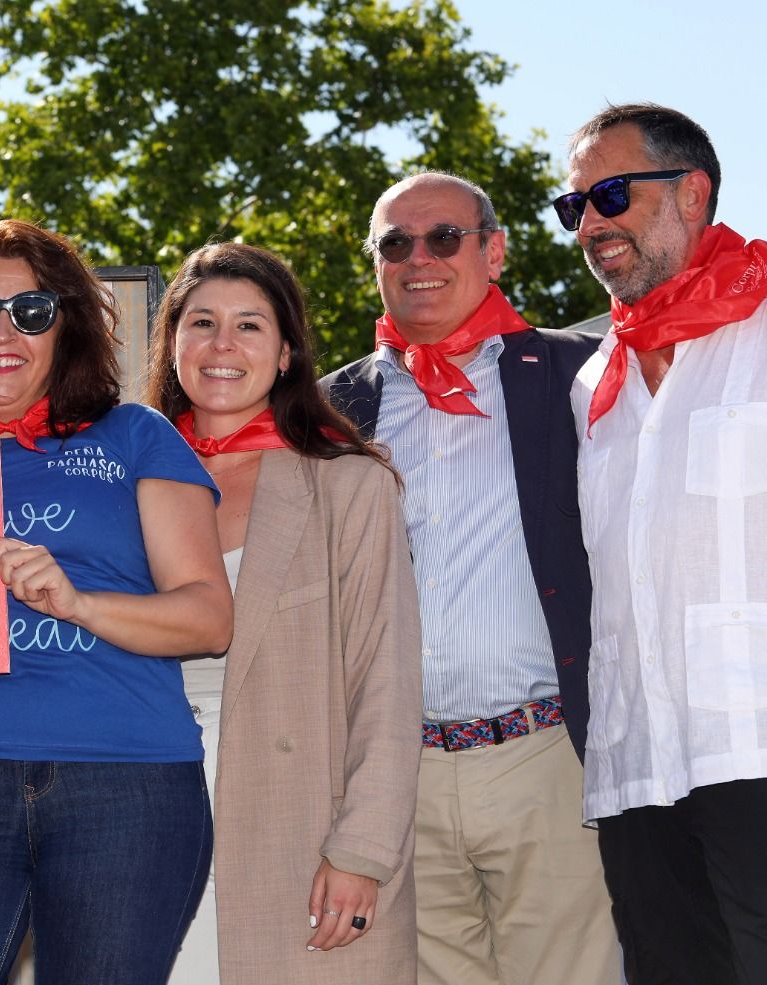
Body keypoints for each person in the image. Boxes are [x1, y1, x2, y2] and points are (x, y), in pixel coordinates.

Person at [0, 218, 234, 985]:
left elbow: (209, 616)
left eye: (31, 312)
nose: (2, 333)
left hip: (126, 784)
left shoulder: (134, 434)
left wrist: (78, 601)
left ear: (67, 327)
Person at [322, 171, 620, 985]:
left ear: (495, 251)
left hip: (549, 759)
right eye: (395, 242)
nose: (419, 257)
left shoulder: (583, 373)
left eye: (444, 237)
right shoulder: (329, 412)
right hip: (396, 779)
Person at [143, 241, 420, 983]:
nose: (222, 345)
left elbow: (387, 681)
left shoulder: (348, 484)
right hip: (139, 818)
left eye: (249, 326)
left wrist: (362, 851)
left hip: (296, 824)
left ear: (288, 352)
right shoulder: (121, 482)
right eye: (202, 323)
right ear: (172, 344)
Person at [563, 103, 767, 984]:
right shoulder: (590, 382)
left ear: (692, 193)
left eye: (610, 194)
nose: (590, 223)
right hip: (636, 768)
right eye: (574, 206)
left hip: (754, 744)